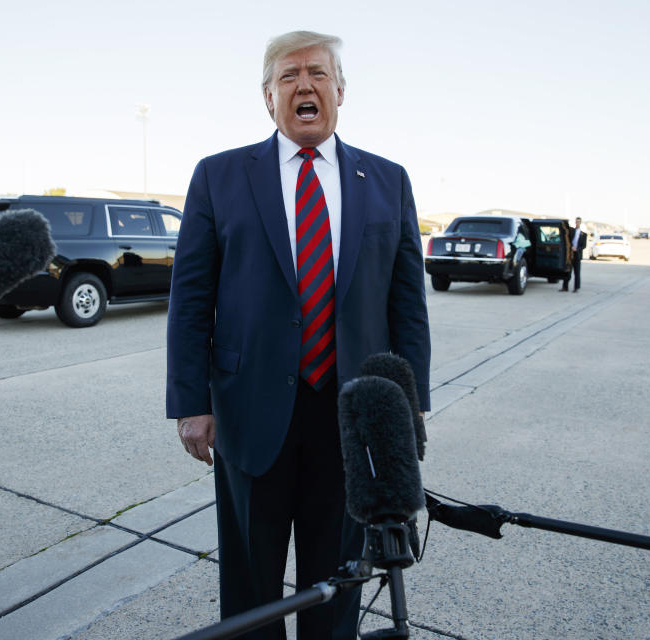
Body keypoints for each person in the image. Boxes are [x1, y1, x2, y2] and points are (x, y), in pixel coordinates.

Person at [166, 30, 431, 639]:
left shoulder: (388, 180)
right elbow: (192, 300)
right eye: (288, 76)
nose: (304, 85)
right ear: (268, 97)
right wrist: (191, 405)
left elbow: (406, 306)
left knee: (339, 577)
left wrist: (409, 407)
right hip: (249, 410)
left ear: (340, 89)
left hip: (350, 415)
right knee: (250, 582)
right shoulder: (219, 176)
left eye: (317, 73)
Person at [561, 216, 586, 292]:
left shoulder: (583, 234)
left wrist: (577, 249)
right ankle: (565, 287)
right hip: (570, 255)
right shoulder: (572, 231)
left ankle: (576, 288)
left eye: (578, 222)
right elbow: (566, 230)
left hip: (577, 255)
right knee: (568, 271)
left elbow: (584, 245)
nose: (577, 223)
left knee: (577, 272)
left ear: (580, 223)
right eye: (576, 221)